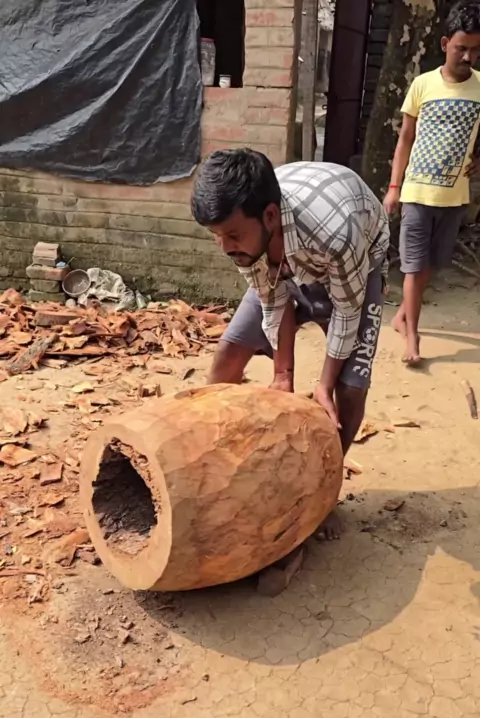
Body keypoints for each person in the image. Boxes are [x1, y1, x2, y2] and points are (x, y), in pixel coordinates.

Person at [191, 149, 390, 538]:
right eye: (217, 236)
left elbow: (347, 312)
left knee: (350, 388)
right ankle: (211, 462)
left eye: (232, 235)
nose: (225, 247)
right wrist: (283, 375)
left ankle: (321, 491)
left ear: (269, 216)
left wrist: (324, 386)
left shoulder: (337, 233)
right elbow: (273, 298)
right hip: (285, 254)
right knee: (229, 352)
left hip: (357, 265)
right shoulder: (245, 238)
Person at [384, 0, 480, 366]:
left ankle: (402, 316)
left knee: (431, 265)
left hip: (454, 197)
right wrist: (394, 188)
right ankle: (413, 336)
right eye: (461, 48)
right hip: (417, 193)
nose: (468, 56)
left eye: (475, 49)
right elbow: (405, 139)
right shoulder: (423, 84)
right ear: (445, 44)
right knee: (412, 266)